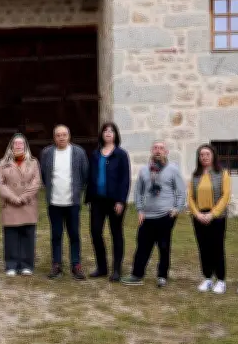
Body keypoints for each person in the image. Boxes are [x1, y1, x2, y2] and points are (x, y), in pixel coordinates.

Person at [122, 141, 186, 288]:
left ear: (166, 152)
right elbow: (138, 191)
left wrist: (177, 209)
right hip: (147, 216)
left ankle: (162, 276)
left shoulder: (172, 169)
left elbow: (181, 191)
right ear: (152, 150)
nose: (158, 151)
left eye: (161, 148)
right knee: (142, 246)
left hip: (166, 215)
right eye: (156, 148)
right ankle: (137, 275)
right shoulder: (144, 170)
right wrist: (139, 210)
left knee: (163, 246)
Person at [39, 125, 89, 280]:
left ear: (69, 136)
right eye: (58, 135)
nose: (61, 137)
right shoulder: (47, 153)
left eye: (64, 134)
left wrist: (77, 191)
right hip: (54, 203)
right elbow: (44, 175)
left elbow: (85, 174)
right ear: (54, 137)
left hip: (72, 202)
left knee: (74, 234)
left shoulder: (78, 152)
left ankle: (76, 264)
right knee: (56, 234)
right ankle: (56, 264)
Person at [86, 122, 131, 282]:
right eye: (105, 130)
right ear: (102, 134)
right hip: (97, 200)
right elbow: (91, 176)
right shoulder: (95, 154)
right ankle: (102, 267)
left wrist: (121, 201)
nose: (108, 133)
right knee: (95, 232)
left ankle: (116, 269)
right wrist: (89, 198)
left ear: (116, 134)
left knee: (116, 233)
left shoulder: (121, 154)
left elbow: (125, 180)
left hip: (114, 201)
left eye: (112, 131)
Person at [188, 144, 231, 294]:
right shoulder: (195, 175)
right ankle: (207, 278)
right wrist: (197, 214)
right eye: (201, 155)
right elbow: (190, 197)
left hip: (217, 217)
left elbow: (225, 196)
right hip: (199, 216)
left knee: (217, 248)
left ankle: (220, 280)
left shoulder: (223, 173)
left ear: (213, 156)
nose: (204, 157)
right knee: (203, 248)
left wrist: (212, 214)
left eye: (207, 154)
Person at [0, 134, 41, 277]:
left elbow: (36, 182)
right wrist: (13, 198)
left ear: (25, 146)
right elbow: (0, 184)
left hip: (27, 204)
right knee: (11, 237)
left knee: (28, 236)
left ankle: (27, 265)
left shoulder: (33, 162)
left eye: (21, 143)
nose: (18, 146)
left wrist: (23, 197)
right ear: (11, 146)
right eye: (15, 143)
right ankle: (11, 265)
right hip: (10, 204)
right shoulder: (3, 163)